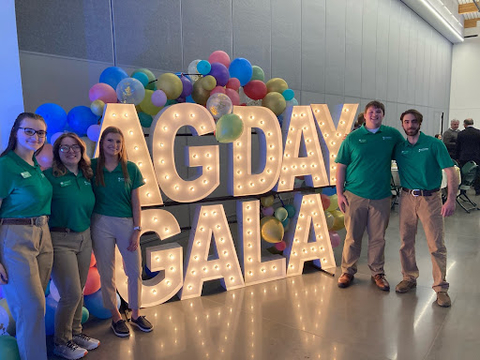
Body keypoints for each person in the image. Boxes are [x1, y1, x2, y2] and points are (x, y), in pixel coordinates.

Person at [91, 126, 153, 337]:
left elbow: (136, 202)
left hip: (127, 224)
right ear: (102, 143)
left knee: (134, 271)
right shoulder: (92, 167)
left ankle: (135, 314)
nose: (114, 145)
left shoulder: (131, 168)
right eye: (110, 141)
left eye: (118, 142)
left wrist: (137, 229)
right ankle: (116, 316)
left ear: (122, 144)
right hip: (100, 223)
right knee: (106, 273)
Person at [0, 112, 53, 360]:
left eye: (40, 132)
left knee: (35, 306)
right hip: (16, 237)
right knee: (31, 308)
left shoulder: (35, 165)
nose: (35, 136)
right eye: (29, 131)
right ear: (16, 132)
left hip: (43, 236)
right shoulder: (6, 165)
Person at [335, 101, 404, 291]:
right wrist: (339, 194)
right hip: (354, 195)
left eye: (378, 112)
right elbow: (341, 166)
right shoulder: (352, 139)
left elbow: (407, 151)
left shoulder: (391, 135)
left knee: (378, 238)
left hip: (381, 196)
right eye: (371, 112)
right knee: (352, 236)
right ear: (364, 116)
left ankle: (377, 273)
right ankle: (348, 271)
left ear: (383, 115)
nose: (375, 114)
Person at [44, 133, 100, 359]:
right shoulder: (50, 177)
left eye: (75, 147)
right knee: (71, 293)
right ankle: (61, 342)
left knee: (80, 289)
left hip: (84, 237)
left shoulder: (87, 175)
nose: (71, 151)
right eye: (64, 148)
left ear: (81, 150)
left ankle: (76, 333)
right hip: (60, 240)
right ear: (57, 152)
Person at [394, 109, 457, 307]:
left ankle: (441, 288)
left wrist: (451, 199)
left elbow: (450, 171)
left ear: (419, 123)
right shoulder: (400, 147)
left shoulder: (434, 144)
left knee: (436, 245)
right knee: (406, 242)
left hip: (430, 199)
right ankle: (409, 277)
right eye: (406, 122)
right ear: (402, 124)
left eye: (413, 122)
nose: (410, 125)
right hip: (406, 198)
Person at [455, 118, 480, 194]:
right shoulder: (478, 133)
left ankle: (463, 190)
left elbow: (458, 147)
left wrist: (457, 157)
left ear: (465, 124)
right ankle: (478, 189)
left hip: (464, 156)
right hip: (477, 156)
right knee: (477, 173)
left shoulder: (461, 133)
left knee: (463, 173)